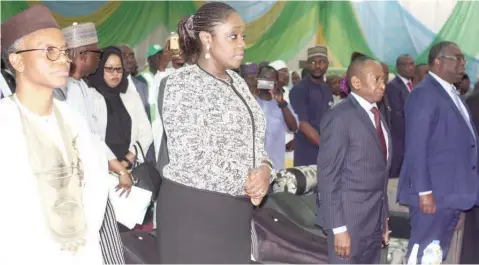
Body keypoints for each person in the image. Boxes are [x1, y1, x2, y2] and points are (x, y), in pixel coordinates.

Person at [156, 2, 273, 263]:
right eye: (233, 36)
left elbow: (255, 142)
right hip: (195, 213)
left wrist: (265, 170)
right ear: (207, 39)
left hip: (234, 213)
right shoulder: (182, 83)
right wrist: (248, 181)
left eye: (243, 36)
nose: (241, 44)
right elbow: (191, 156)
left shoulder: (239, 83)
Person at [0, 5, 109, 263]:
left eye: (63, 51)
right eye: (49, 51)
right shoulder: (5, 124)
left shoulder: (74, 121)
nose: (62, 59)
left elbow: (96, 194)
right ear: (17, 60)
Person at [397, 41, 479, 262]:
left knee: (434, 257)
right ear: (438, 62)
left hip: (449, 195)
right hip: (432, 197)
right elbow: (416, 145)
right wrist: (424, 192)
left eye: (464, 59)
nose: (463, 63)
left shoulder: (453, 95)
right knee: (422, 256)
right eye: (458, 58)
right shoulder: (425, 94)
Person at [318, 56, 391, 264]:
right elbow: (329, 177)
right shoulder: (340, 117)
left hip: (373, 221)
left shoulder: (376, 114)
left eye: (384, 79)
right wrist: (338, 228)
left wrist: (383, 220)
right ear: (356, 83)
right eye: (376, 79)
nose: (382, 85)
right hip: (348, 222)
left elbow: (380, 173)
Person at [87, 46, 153, 195]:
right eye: (109, 69)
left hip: (132, 167)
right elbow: (92, 137)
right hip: (102, 169)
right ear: (99, 68)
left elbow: (146, 132)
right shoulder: (90, 97)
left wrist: (127, 161)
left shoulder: (131, 96)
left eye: (118, 69)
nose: (115, 74)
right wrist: (116, 167)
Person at [290, 45, 333, 166]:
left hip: (326, 155)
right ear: (307, 64)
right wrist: (326, 147)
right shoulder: (299, 89)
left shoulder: (327, 89)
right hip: (307, 155)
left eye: (322, 62)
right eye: (313, 62)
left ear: (327, 64)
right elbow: (302, 124)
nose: (318, 66)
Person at [256, 66, 298, 170]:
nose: (267, 82)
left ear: (276, 83)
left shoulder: (282, 105)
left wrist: (282, 103)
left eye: (271, 80)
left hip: (276, 166)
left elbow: (293, 128)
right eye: (264, 78)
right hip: (255, 166)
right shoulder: (251, 102)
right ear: (258, 79)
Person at [385, 54, 415, 179]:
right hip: (400, 141)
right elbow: (397, 116)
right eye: (406, 64)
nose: (411, 67)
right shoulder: (393, 87)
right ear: (398, 68)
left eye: (412, 64)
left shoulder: (411, 85)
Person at [117, 44, 150, 118]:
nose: (129, 60)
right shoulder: (109, 87)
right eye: (124, 56)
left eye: (131, 56)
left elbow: (147, 114)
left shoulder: (142, 86)